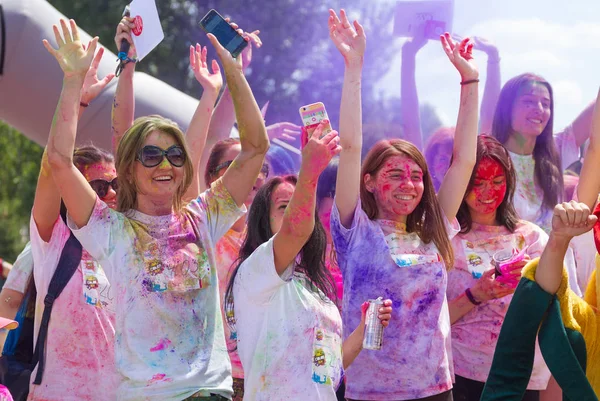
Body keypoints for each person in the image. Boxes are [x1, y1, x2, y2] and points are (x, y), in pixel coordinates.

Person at [43, 18, 268, 401]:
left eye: (175, 155)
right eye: (152, 155)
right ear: (128, 168)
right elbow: (60, 162)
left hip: (211, 392)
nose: (165, 165)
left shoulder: (204, 216)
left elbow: (254, 149)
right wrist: (71, 82)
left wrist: (233, 72)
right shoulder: (110, 229)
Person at [329, 7, 478, 401]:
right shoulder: (354, 229)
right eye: (395, 175)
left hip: (434, 388)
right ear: (370, 182)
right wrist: (354, 67)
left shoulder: (434, 230)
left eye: (416, 176)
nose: (409, 185)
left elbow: (465, 159)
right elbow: (349, 148)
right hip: (370, 391)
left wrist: (469, 79)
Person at [225, 120, 392, 400]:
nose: (295, 213)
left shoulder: (314, 289)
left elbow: (328, 368)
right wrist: (310, 169)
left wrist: (364, 330)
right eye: (283, 208)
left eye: (299, 206)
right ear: (261, 222)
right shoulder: (254, 271)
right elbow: (295, 228)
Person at [481, 88, 600, 400]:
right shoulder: (489, 157)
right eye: (529, 100)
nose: (539, 109)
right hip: (510, 292)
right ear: (506, 106)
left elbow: (595, 144)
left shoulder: (554, 152)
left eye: (546, 103)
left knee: (556, 371)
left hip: (559, 278)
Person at [446, 135, 551, 401]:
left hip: (518, 375)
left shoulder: (533, 238)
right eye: (477, 183)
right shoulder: (445, 240)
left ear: (510, 181)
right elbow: (428, 321)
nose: (487, 193)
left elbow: (557, 311)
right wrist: (475, 295)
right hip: (458, 374)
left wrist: (537, 282)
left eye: (497, 182)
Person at [203, 137, 269, 401]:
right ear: (210, 177)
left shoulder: (272, 240)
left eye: (260, 167)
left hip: (261, 376)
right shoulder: (203, 227)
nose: (251, 172)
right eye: (237, 164)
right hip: (212, 375)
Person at [401, 29, 501, 150]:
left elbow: (489, 119)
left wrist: (493, 57)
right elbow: (411, 126)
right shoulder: (421, 168)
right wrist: (408, 56)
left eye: (454, 156)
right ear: (431, 158)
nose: (450, 164)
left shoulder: (472, 165)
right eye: (442, 158)